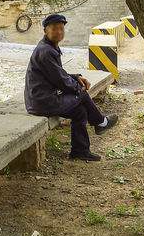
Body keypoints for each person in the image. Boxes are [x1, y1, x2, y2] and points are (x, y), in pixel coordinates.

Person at [25, 13, 118, 161]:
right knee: (80, 92)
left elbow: (57, 74)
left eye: (61, 29)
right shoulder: (46, 51)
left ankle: (80, 151)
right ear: (45, 31)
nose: (59, 32)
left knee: (79, 111)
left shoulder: (48, 47)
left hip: (41, 100)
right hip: (43, 102)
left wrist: (76, 78)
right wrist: (78, 86)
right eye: (55, 29)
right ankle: (101, 122)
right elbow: (61, 81)